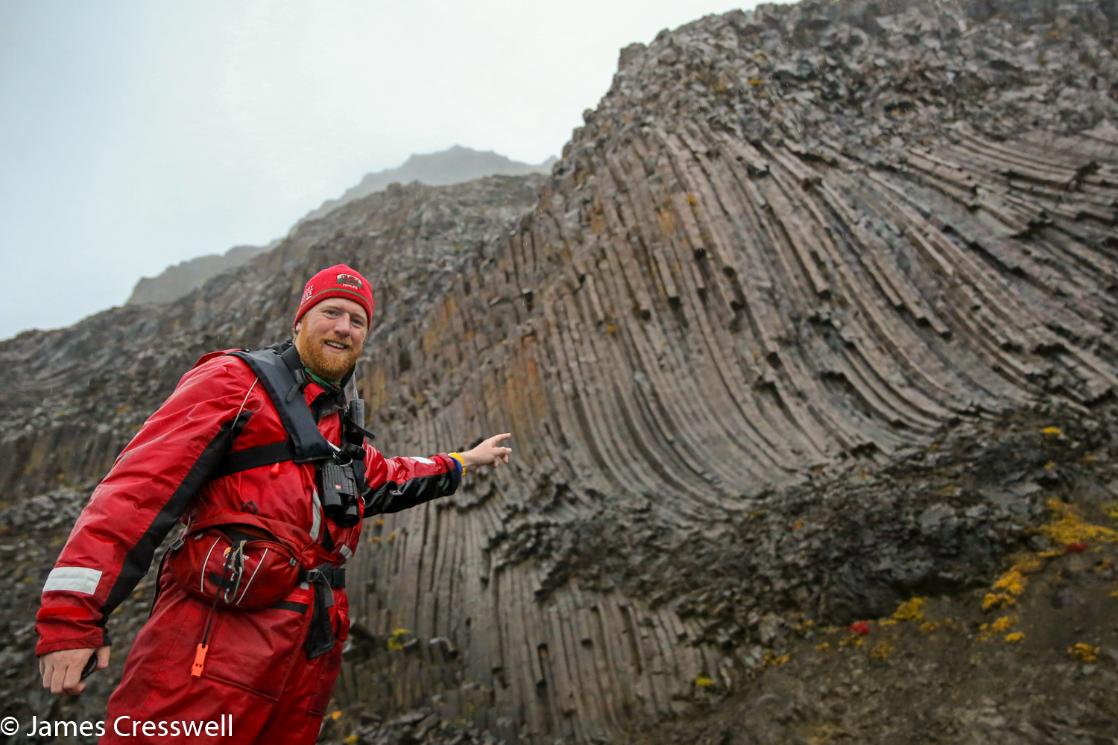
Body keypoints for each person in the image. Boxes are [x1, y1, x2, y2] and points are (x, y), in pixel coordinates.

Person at [35, 264, 511, 744]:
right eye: (332, 312)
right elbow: (136, 493)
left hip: (301, 666)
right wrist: (71, 619)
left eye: (358, 320)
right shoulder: (233, 381)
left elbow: (389, 477)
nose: (344, 327)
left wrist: (463, 461)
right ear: (299, 321)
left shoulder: (341, 433)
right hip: (206, 658)